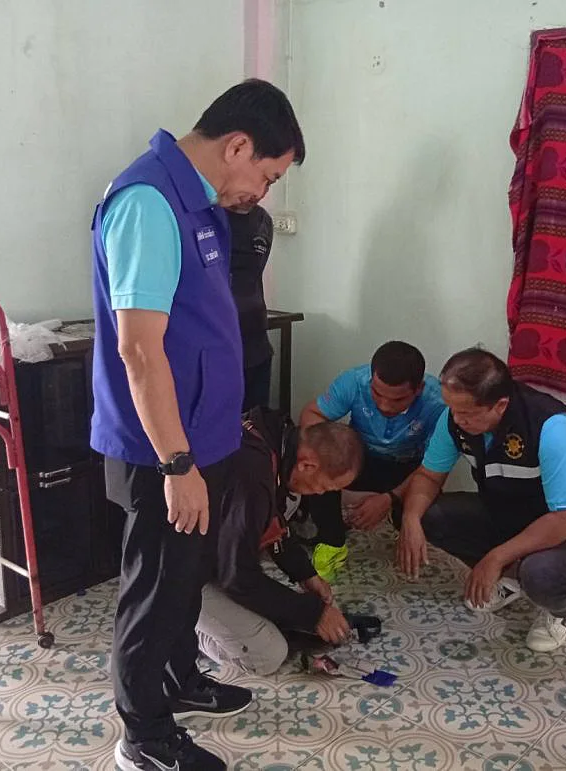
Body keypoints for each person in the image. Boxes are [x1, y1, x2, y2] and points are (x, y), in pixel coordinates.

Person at [90, 79, 305, 771]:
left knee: (184, 577)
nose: (262, 193)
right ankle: (143, 736)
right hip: (166, 450)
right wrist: (177, 464)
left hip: (200, 436)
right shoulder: (148, 202)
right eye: (268, 176)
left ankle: (178, 678)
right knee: (155, 589)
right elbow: (138, 348)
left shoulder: (199, 204)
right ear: (238, 145)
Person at [396, 348, 566, 652]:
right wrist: (410, 519)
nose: (456, 419)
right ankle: (511, 578)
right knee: (427, 514)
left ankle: (559, 610)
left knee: (541, 573)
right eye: (452, 409)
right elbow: (429, 477)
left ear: (500, 405)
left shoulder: (551, 426)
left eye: (467, 413)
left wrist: (495, 557)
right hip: (508, 516)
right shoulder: (454, 419)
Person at [195, 408, 364, 677]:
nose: (320, 494)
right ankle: (185, 632)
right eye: (324, 487)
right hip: (180, 572)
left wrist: (306, 574)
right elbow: (236, 576)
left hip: (213, 556)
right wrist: (313, 614)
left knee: (277, 620)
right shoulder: (252, 476)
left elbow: (273, 522)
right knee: (268, 654)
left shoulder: (275, 440)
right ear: (308, 465)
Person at [299, 341, 447, 581]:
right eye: (377, 394)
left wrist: (389, 499)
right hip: (360, 459)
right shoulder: (353, 381)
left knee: (431, 515)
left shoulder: (439, 404)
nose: (384, 405)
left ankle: (399, 524)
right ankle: (331, 541)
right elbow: (312, 413)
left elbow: (433, 469)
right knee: (316, 467)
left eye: (397, 400)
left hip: (410, 468)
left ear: (418, 389)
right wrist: (329, 453)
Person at [227, 204, 275, 411]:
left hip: (256, 347)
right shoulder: (203, 215)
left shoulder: (262, 220)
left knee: (255, 423)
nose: (260, 192)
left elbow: (252, 277)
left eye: (268, 187)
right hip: (216, 348)